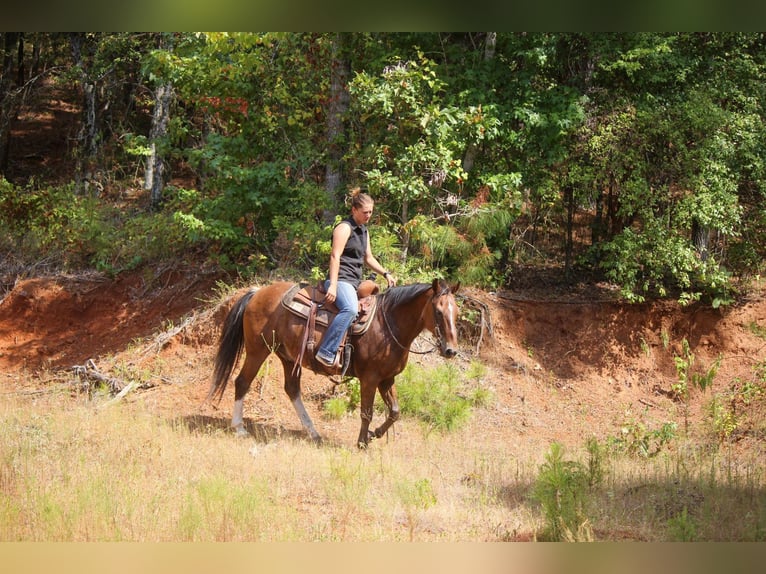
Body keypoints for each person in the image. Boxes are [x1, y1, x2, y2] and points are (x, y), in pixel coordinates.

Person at [315, 191, 396, 367]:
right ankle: (326, 351)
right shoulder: (344, 228)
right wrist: (334, 285)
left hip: (354, 282)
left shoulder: (364, 231)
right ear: (354, 210)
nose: (369, 215)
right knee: (351, 309)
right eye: (365, 212)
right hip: (341, 280)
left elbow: (368, 258)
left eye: (371, 211)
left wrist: (385, 273)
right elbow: (335, 256)